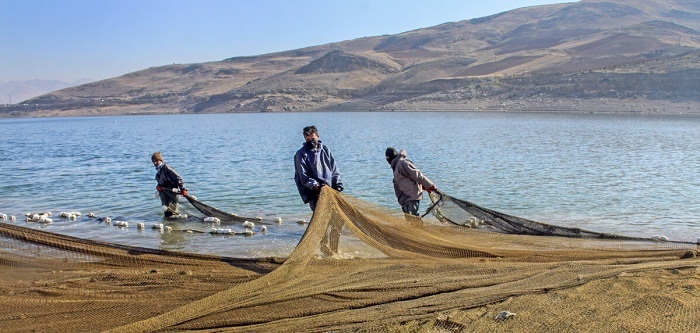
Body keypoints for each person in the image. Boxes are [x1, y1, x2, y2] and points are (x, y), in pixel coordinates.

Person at [294, 125, 344, 211]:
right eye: (308, 140)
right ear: (305, 139)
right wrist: (316, 186)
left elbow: (334, 168)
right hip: (314, 193)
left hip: (330, 190)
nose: (311, 142)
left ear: (317, 136)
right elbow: (303, 176)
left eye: (313, 139)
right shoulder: (301, 154)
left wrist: (337, 184)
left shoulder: (325, 150)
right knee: (322, 216)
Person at [385, 147, 437, 217]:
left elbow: (417, 175)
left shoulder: (402, 163)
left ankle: (419, 228)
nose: (387, 159)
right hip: (404, 199)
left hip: (411, 197)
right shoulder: (395, 165)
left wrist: (430, 185)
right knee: (410, 221)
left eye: (388, 157)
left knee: (414, 220)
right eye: (386, 157)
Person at [151, 151, 188, 218]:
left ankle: (175, 227)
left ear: (160, 160)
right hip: (164, 195)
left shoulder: (167, 168)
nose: (155, 163)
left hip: (173, 195)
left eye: (156, 160)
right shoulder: (158, 172)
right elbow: (161, 182)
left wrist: (183, 189)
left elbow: (178, 179)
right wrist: (158, 186)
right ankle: (168, 226)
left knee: (174, 215)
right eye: (153, 161)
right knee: (167, 214)